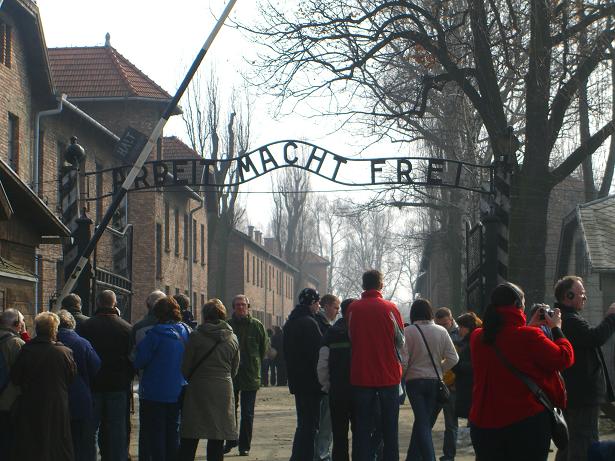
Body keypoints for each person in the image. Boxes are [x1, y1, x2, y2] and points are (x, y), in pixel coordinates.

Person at [469, 282, 574, 461]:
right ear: (517, 304)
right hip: (525, 421)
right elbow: (564, 357)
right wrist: (556, 327)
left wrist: (529, 326)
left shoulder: (477, 337)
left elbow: (509, 342)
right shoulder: (529, 337)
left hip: (483, 424)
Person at [553, 276, 615, 461]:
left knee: (569, 443)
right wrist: (611, 317)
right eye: (581, 293)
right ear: (568, 296)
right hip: (582, 397)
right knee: (584, 444)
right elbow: (595, 337)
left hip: (574, 395)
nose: (584, 297)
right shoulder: (570, 321)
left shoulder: (565, 319)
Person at [347, 269, 404, 461]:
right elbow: (401, 341)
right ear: (381, 285)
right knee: (390, 427)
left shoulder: (353, 309)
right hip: (388, 375)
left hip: (361, 374)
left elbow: (351, 337)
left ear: (363, 285)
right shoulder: (390, 308)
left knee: (361, 426)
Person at [10, 312, 77, 461]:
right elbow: (71, 378)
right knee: (57, 444)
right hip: (57, 406)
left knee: (33, 445)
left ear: (37, 329)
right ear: (54, 330)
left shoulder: (26, 351)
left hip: (31, 405)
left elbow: (16, 378)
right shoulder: (65, 352)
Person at [179, 299, 240, 461]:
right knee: (217, 436)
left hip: (198, 388)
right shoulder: (232, 338)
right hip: (223, 389)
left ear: (205, 315)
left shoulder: (196, 336)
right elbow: (234, 368)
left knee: (191, 435)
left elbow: (186, 367)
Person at [401, 300, 458, 461]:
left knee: (422, 422)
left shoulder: (408, 332)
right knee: (423, 421)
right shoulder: (441, 331)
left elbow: (403, 362)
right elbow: (453, 358)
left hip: (414, 382)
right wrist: (440, 369)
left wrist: (402, 376)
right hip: (434, 381)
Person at [135, 296, 191, 461]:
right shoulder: (186, 331)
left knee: (156, 433)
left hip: (154, 391)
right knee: (173, 431)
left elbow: (139, 361)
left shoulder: (154, 334)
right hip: (178, 388)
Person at [80, 290, 133, 461]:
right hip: (118, 384)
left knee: (91, 429)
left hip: (94, 384)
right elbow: (131, 358)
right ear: (114, 303)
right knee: (117, 428)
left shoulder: (86, 327)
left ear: (97, 303)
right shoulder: (126, 328)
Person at [225, 294, 268, 456]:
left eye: (243, 304)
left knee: (247, 413)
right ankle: (231, 440)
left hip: (250, 375)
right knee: (230, 411)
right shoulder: (228, 326)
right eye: (237, 305)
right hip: (231, 375)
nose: (241, 307)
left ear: (248, 307)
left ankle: (244, 445)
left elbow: (263, 349)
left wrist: (255, 364)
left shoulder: (257, 326)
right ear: (233, 307)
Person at [284, 287, 324, 461]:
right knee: (310, 425)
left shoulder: (290, 323)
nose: (319, 306)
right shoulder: (310, 323)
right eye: (318, 303)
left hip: (297, 380)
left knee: (303, 422)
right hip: (311, 382)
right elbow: (318, 354)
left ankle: (297, 456)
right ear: (312, 303)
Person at [57, 310, 102, 461]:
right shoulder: (82, 343)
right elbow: (95, 365)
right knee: (81, 439)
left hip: (55, 399)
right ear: (72, 325)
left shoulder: (50, 342)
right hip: (79, 397)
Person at [317, 298, 356, 461]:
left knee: (339, 433)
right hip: (359, 390)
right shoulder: (361, 331)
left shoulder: (331, 333)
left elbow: (322, 363)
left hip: (337, 390)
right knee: (360, 432)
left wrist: (326, 385)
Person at [132, 289, 166, 461]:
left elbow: (134, 356)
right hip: (170, 384)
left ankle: (145, 456)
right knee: (167, 426)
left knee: (146, 426)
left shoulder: (139, 327)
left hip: (147, 382)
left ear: (147, 305)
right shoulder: (177, 327)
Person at [430, 307, 461, 461]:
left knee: (451, 425)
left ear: (451, 320)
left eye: (445, 324)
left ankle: (448, 456)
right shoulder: (435, 332)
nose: (442, 327)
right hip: (437, 382)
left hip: (452, 385)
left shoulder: (460, 335)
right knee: (428, 421)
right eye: (439, 324)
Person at [314, 294, 341, 461]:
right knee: (325, 422)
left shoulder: (320, 323)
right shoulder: (323, 326)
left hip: (317, 380)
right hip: (323, 381)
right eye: (336, 307)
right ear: (326, 306)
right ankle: (322, 454)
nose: (337, 312)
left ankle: (320, 453)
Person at [0, 309, 26, 455]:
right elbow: (23, 374)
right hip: (9, 402)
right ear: (16, 324)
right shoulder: (16, 343)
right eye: (22, 321)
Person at [452, 312, 482, 421]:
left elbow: (475, 364)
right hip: (468, 385)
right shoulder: (469, 341)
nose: (459, 330)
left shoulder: (472, 342)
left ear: (468, 327)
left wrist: (457, 365)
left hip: (469, 386)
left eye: (461, 327)